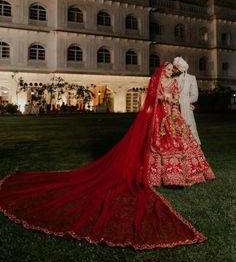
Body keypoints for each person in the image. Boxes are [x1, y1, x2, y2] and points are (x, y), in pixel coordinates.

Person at [0, 62, 214, 250]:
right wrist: (162, 96)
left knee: (181, 142)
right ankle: (159, 175)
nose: (169, 72)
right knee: (157, 144)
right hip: (158, 116)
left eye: (171, 70)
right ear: (162, 71)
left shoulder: (175, 82)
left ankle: (183, 175)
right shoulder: (156, 80)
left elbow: (176, 97)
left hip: (172, 116)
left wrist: (171, 98)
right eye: (167, 70)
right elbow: (152, 95)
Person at [172, 56, 201, 144]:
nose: (173, 69)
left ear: (180, 68)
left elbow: (195, 96)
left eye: (175, 67)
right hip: (173, 108)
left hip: (185, 108)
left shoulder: (191, 78)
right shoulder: (172, 79)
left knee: (189, 129)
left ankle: (193, 151)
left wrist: (185, 101)